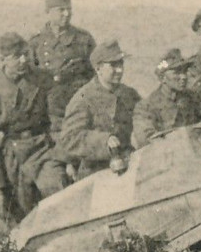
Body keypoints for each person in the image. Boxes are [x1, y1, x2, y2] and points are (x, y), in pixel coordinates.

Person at [0, 31, 68, 223]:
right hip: (13, 158)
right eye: (17, 57)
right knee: (19, 216)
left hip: (43, 150)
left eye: (26, 53)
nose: (24, 60)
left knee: (59, 195)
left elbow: (58, 122)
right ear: (3, 60)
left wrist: (67, 159)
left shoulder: (43, 80)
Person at [58, 39, 142, 178]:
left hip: (129, 162)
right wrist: (104, 141)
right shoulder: (83, 98)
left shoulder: (129, 94)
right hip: (96, 170)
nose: (120, 70)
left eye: (121, 63)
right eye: (113, 65)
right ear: (98, 69)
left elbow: (144, 115)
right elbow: (69, 138)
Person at [28, 0, 97, 137]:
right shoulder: (36, 42)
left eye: (69, 10)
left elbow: (95, 76)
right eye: (61, 10)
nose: (67, 14)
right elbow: (29, 78)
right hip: (46, 110)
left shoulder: (83, 40)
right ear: (49, 12)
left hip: (76, 106)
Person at [132, 48, 201, 148]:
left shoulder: (193, 98)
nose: (183, 76)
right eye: (177, 72)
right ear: (163, 77)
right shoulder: (146, 107)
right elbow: (146, 140)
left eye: (184, 71)